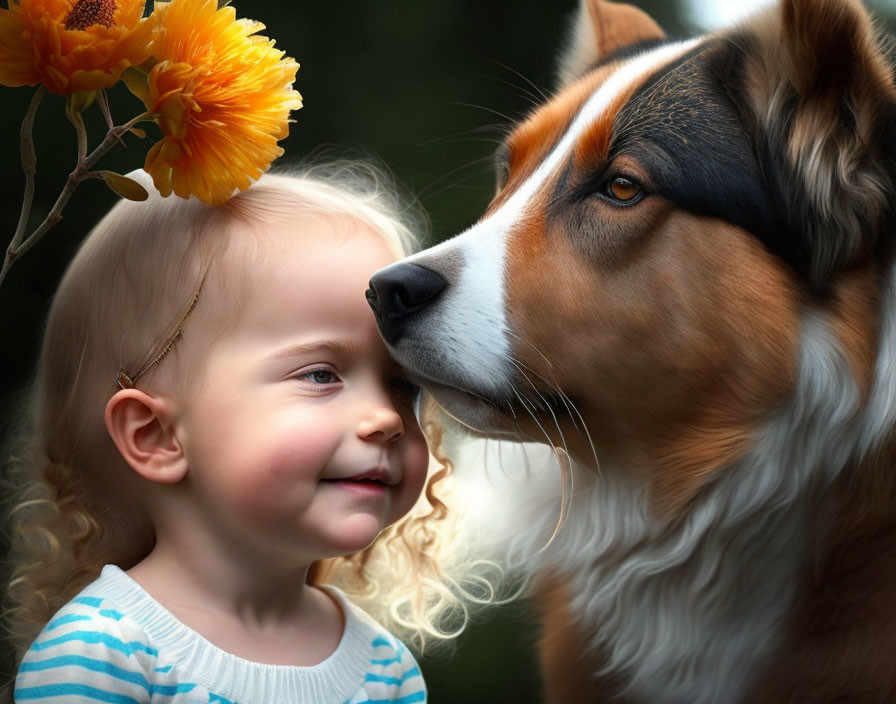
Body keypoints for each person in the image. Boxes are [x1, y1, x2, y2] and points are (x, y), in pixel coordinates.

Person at [4, 164, 452, 702]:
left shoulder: (386, 672)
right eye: (319, 374)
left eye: (403, 386)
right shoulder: (104, 655)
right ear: (157, 436)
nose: (386, 418)